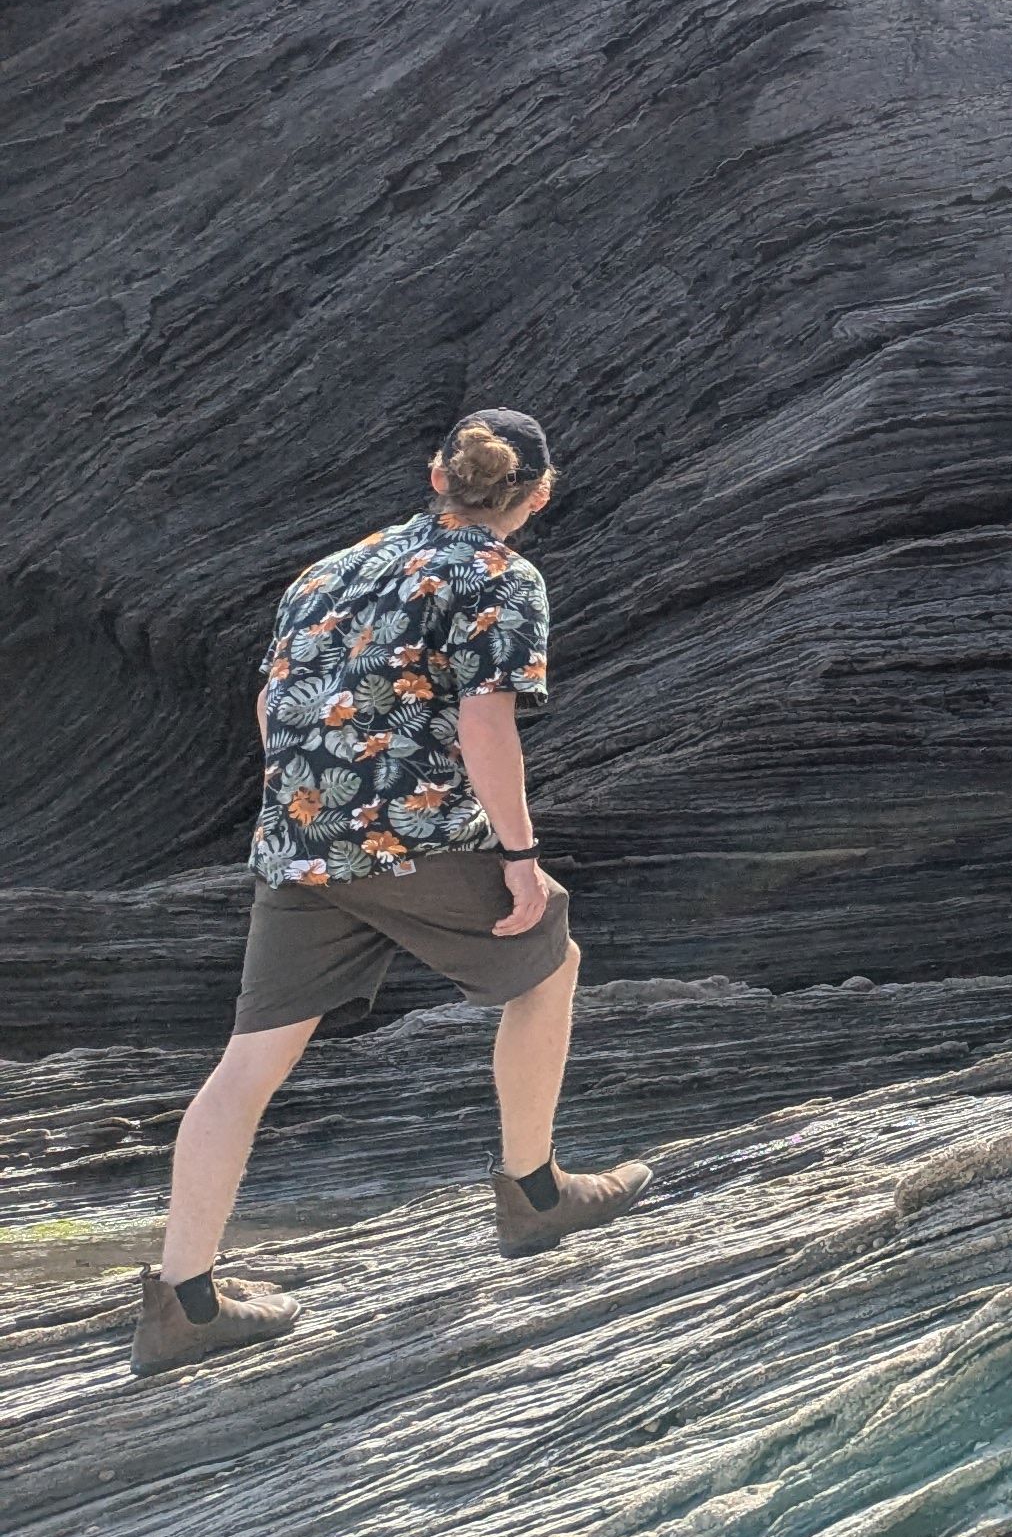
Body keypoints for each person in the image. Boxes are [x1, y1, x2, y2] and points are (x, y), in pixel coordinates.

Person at [133, 406, 650, 1376]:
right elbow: (486, 724)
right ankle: (534, 1195)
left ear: (435, 474)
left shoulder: (329, 569)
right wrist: (518, 855)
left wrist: (313, 806)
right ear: (537, 498)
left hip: (300, 840)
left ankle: (183, 1300)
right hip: (406, 839)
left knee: (247, 1065)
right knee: (549, 962)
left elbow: (271, 698)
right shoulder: (500, 577)